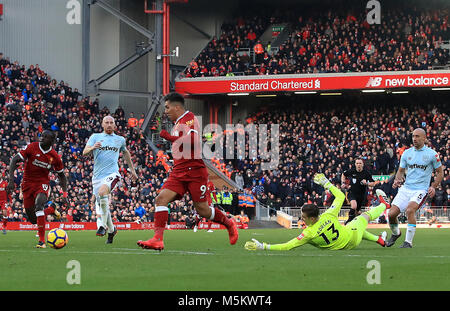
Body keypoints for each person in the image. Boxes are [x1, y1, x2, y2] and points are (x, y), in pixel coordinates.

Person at [137, 92, 238, 250]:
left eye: (168, 107)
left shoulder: (189, 118)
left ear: (177, 107)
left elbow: (193, 142)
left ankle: (229, 223)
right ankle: (158, 239)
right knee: (160, 199)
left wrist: (170, 138)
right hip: (179, 170)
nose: (166, 111)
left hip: (194, 171)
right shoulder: (178, 123)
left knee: (203, 210)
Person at [244, 173, 389, 252]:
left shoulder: (309, 234)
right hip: (351, 237)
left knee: (360, 219)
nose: (301, 219)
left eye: (303, 217)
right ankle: (382, 214)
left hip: (348, 242)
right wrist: (326, 183)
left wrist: (263, 246)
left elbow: (287, 246)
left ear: (312, 219)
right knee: (360, 220)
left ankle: (384, 206)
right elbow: (339, 196)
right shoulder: (328, 214)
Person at [6, 130, 68, 248]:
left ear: (52, 141)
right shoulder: (32, 147)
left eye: (45, 137)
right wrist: (11, 180)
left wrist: (65, 195)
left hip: (42, 184)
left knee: (39, 205)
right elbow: (14, 159)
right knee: (33, 220)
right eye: (41, 136)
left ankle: (41, 241)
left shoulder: (54, 157)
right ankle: (51, 209)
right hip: (27, 184)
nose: (41, 138)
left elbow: (62, 176)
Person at [83, 115, 138, 244]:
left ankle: (102, 226)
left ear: (114, 125)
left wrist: (132, 170)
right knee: (102, 204)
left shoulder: (120, 140)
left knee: (103, 193)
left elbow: (125, 153)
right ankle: (112, 230)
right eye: (106, 122)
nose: (108, 125)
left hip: (113, 174)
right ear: (102, 125)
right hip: (97, 177)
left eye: (111, 123)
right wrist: (92, 148)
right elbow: (84, 152)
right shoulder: (95, 137)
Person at [386, 128, 444, 248]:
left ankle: (408, 242)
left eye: (417, 136)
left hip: (420, 190)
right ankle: (396, 233)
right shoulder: (407, 153)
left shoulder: (432, 154)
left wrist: (433, 186)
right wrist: (397, 180)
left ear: (424, 138)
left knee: (410, 210)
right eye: (413, 136)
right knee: (391, 214)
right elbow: (400, 171)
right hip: (406, 188)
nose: (414, 139)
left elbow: (440, 172)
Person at [341, 158, 379, 224]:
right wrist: (343, 183)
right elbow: (343, 175)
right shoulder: (352, 171)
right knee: (353, 206)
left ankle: (355, 222)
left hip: (361, 195)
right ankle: (348, 221)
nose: (359, 165)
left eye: (360, 163)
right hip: (352, 192)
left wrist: (366, 183)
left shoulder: (366, 173)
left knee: (357, 211)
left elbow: (373, 183)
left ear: (363, 164)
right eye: (357, 163)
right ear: (355, 164)